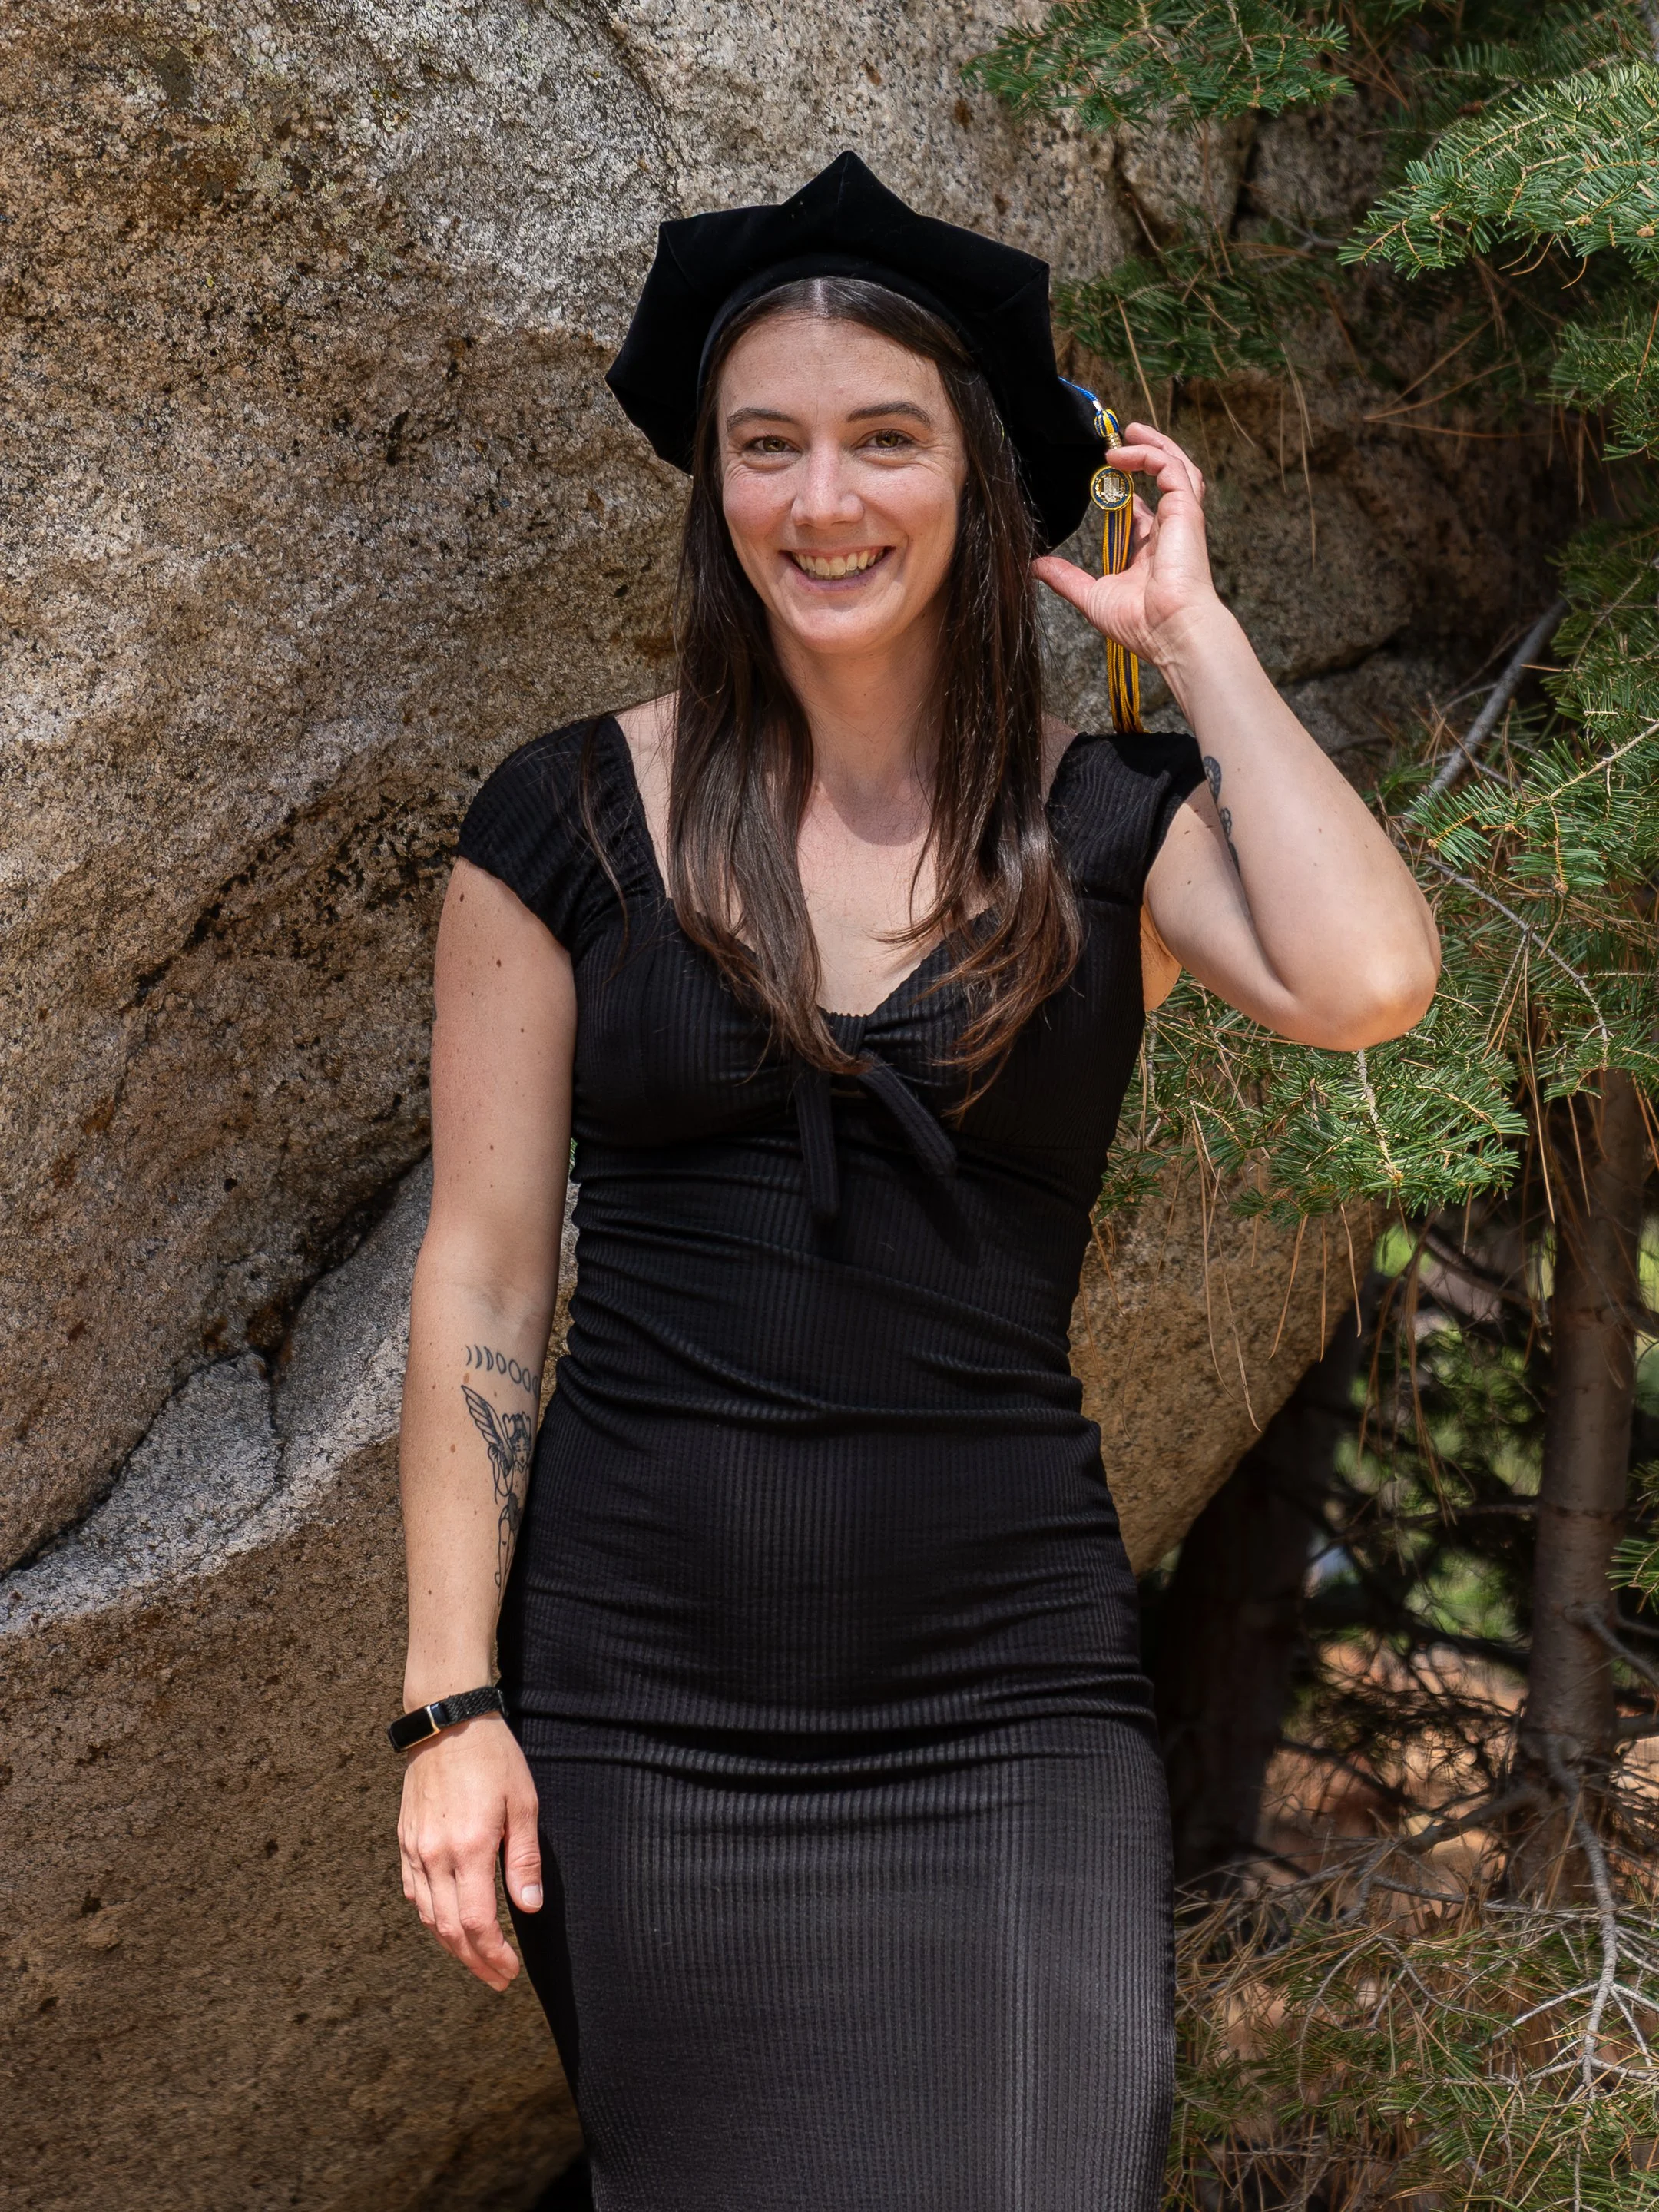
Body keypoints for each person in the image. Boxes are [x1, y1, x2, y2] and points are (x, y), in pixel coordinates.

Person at [391, 153, 1439, 2211]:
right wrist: (449, 1706)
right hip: (647, 1704)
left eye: (885, 442)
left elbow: (1370, 978)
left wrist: (1196, 634)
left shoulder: (1105, 822)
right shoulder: (572, 819)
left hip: (1003, 1706)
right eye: (764, 449)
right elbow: (486, 1285)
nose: (823, 503)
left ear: (979, 480)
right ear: (715, 492)